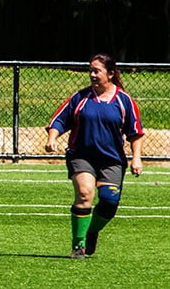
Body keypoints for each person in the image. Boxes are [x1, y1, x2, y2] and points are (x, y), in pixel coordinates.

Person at [44, 53, 144, 259]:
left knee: (109, 203)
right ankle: (78, 246)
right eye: (90, 70)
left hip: (112, 160)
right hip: (82, 156)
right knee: (84, 193)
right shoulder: (80, 98)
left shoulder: (124, 101)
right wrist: (52, 137)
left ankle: (91, 230)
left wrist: (136, 157)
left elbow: (135, 132)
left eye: (97, 70)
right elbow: (60, 120)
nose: (92, 74)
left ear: (110, 74)